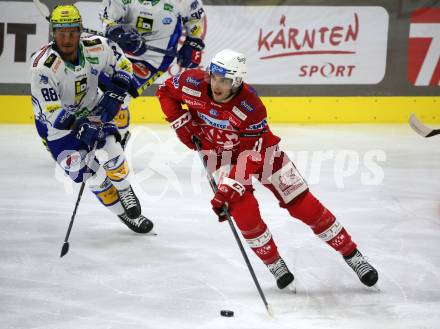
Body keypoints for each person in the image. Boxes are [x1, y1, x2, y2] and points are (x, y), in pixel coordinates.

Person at [156, 49, 379, 289]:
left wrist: (228, 189)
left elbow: (251, 154)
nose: (217, 86)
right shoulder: (192, 82)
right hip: (220, 156)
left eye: (225, 81)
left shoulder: (251, 106)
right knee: (244, 212)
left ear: (237, 82)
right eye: (215, 78)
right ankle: (274, 263)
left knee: (304, 206)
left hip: (262, 153)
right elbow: (165, 92)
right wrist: (180, 121)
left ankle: (352, 254)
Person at [30, 5, 153, 234]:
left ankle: (125, 189)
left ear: (80, 30)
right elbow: (51, 111)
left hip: (92, 109)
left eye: (72, 32)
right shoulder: (43, 68)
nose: (67, 38)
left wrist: (116, 90)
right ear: (53, 33)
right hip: (57, 130)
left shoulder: (97, 46)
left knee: (112, 149)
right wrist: (78, 126)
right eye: (61, 32)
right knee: (93, 177)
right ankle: (123, 215)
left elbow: (123, 64)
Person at [99, 0, 206, 146]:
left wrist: (193, 42)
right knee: (96, 87)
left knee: (121, 94)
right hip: (119, 48)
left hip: (153, 59)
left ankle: (117, 140)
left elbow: (195, 17)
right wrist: (118, 34)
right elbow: (108, 18)